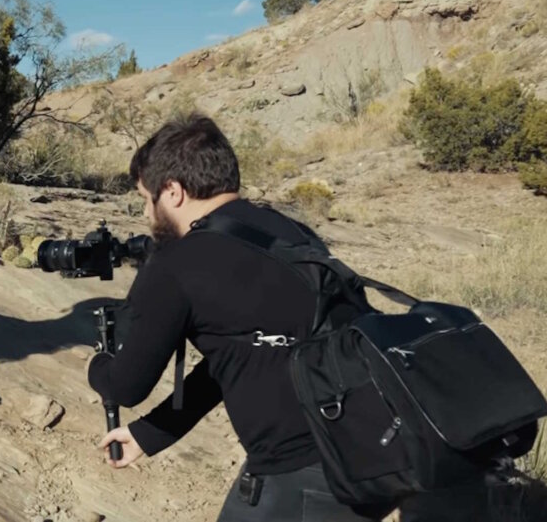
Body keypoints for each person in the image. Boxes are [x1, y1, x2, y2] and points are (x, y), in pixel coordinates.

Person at [86, 113, 386, 521]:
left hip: (307, 471)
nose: (145, 213)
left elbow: (126, 385)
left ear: (172, 191)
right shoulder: (288, 231)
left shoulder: (177, 262)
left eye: (145, 198)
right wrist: (150, 433)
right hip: (378, 441)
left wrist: (99, 365)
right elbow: (241, 355)